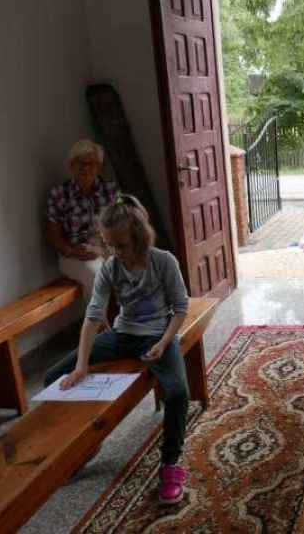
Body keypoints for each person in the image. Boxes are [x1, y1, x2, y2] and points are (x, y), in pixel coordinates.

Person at [44, 194, 191, 505]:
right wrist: (81, 366)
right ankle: (86, 445)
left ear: (139, 237)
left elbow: (180, 308)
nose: (115, 252)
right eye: (109, 245)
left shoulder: (163, 261)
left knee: (178, 392)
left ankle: (170, 464)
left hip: (159, 335)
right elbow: (93, 316)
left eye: (121, 245)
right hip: (123, 334)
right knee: (53, 378)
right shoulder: (110, 267)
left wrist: (163, 342)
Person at [46, 139, 118, 302]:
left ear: (99, 167)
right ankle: (99, 319)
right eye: (80, 163)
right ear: (71, 166)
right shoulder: (59, 194)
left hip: (106, 249)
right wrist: (72, 251)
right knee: (96, 274)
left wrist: (104, 249)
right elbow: (53, 236)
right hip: (74, 256)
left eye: (91, 163)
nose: (85, 167)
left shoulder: (110, 190)